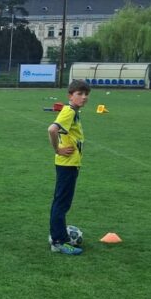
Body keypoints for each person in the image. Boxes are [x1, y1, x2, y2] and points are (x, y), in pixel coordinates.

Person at [47, 79, 91, 255]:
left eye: (86, 94)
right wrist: (57, 149)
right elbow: (52, 129)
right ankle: (58, 242)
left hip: (69, 164)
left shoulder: (73, 112)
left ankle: (56, 236)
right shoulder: (69, 111)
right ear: (70, 96)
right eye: (79, 94)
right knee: (61, 203)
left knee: (61, 202)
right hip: (67, 164)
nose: (84, 97)